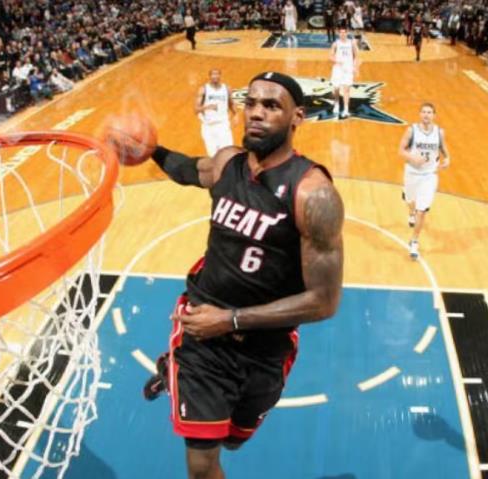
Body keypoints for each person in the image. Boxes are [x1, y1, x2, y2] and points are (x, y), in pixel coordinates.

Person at [140, 71, 344, 479]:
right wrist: (152, 150)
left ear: (297, 116)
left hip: (264, 348)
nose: (256, 113)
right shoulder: (226, 164)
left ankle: (170, 370)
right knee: (202, 465)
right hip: (202, 335)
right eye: (250, 103)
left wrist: (230, 320)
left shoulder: (313, 194)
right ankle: (178, 368)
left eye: (271, 106)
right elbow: (188, 169)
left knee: (234, 439)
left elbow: (324, 302)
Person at [399, 102, 450, 259]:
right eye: (424, 112)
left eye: (429, 112)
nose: (426, 115)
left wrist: (447, 158)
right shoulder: (411, 130)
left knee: (422, 210)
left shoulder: (439, 132)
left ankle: (414, 241)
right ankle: (410, 210)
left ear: (434, 115)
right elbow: (400, 150)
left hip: (429, 174)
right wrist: (413, 158)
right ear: (420, 114)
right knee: (410, 200)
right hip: (412, 172)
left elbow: (443, 148)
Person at [195, 68, 237, 157]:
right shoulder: (203, 89)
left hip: (223, 125)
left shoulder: (227, 88)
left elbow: (231, 103)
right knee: (213, 155)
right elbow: (196, 109)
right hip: (208, 127)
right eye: (213, 74)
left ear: (220, 75)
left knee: (228, 153)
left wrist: (236, 114)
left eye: (217, 74)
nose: (215, 76)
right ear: (209, 76)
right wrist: (207, 107)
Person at [330, 28, 358, 119]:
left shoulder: (352, 43)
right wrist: (337, 61)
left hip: (348, 68)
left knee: (346, 89)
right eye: (341, 33)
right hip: (338, 68)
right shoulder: (335, 44)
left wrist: (355, 67)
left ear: (347, 33)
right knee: (336, 88)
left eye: (344, 32)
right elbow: (330, 56)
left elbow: (356, 56)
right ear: (339, 34)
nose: (342, 34)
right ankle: (336, 103)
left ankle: (346, 109)